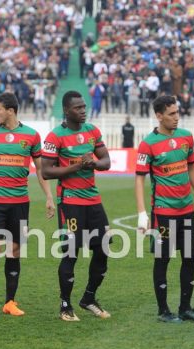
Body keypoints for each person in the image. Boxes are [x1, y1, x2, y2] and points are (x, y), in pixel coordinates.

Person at [0, 93, 55, 318]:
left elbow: (40, 169)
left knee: (14, 251)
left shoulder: (31, 136)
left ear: (10, 110)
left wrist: (49, 196)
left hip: (20, 202)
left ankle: (10, 302)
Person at [135, 95, 194, 323]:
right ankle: (163, 310)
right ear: (159, 116)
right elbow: (139, 180)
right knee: (162, 258)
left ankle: (185, 308)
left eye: (177, 112)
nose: (176, 117)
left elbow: (191, 169)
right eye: (171, 114)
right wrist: (142, 214)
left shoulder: (186, 137)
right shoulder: (148, 144)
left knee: (190, 256)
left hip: (186, 209)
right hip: (163, 213)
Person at [41, 91, 112, 321]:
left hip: (93, 199)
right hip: (70, 201)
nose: (83, 110)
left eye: (84, 107)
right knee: (72, 252)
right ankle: (65, 305)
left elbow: (106, 161)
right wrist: (76, 167)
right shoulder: (55, 137)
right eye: (78, 108)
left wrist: (95, 163)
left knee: (104, 247)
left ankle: (89, 298)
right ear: (66, 110)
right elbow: (46, 171)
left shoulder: (92, 131)